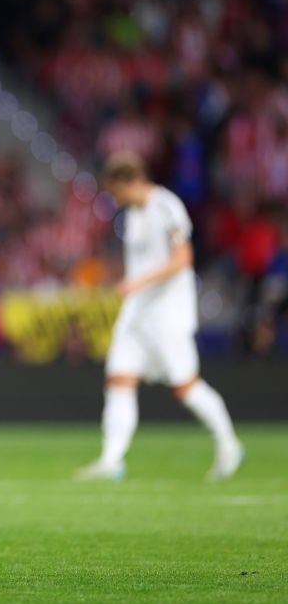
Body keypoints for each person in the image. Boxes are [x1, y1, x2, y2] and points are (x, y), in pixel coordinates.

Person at [76, 152, 244, 481]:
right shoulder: (132, 217)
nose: (115, 199)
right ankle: (112, 460)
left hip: (167, 312)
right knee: (119, 379)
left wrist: (138, 282)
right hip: (137, 312)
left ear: (130, 181)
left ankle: (229, 443)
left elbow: (182, 259)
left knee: (186, 386)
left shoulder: (167, 206)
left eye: (115, 191)